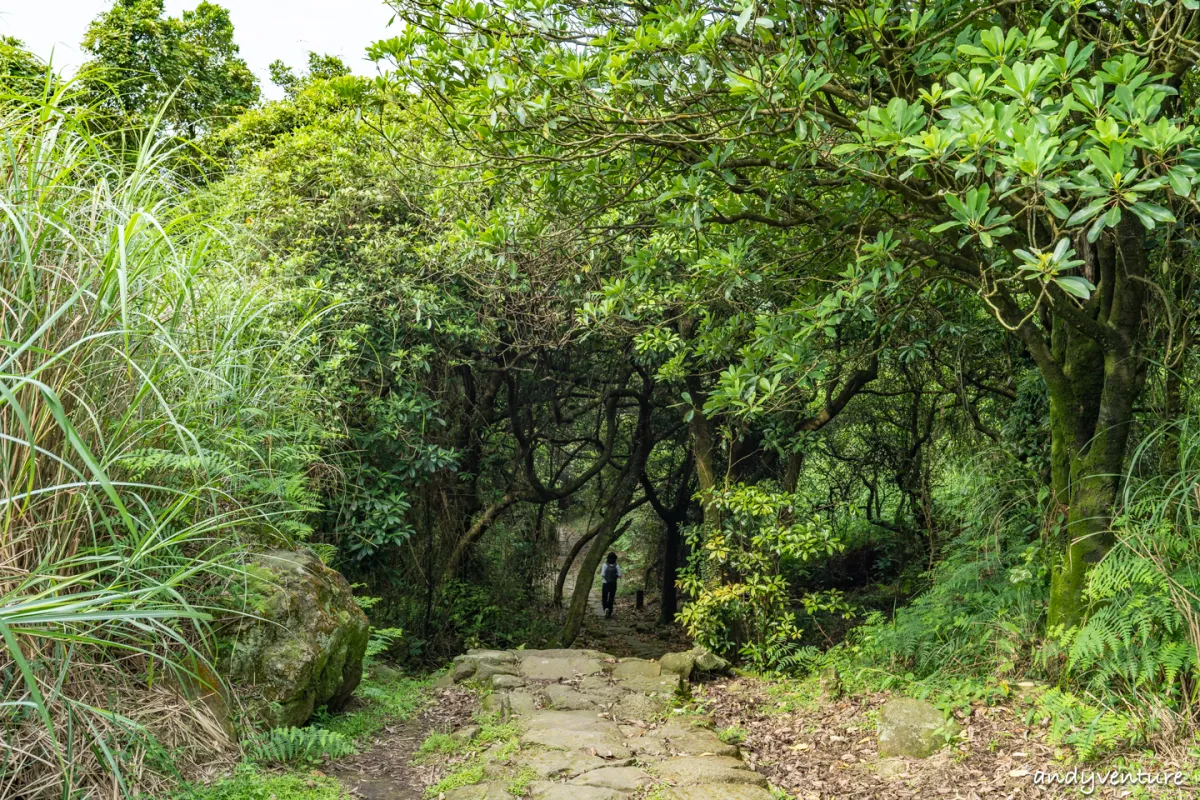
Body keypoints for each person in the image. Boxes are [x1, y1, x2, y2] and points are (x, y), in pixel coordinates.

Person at [601, 552, 621, 618]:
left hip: (605, 583)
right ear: (615, 558)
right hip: (613, 584)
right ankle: (609, 612)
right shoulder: (617, 565)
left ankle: (605, 609)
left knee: (604, 597)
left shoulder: (605, 565)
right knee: (611, 598)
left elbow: (603, 574)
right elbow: (619, 575)